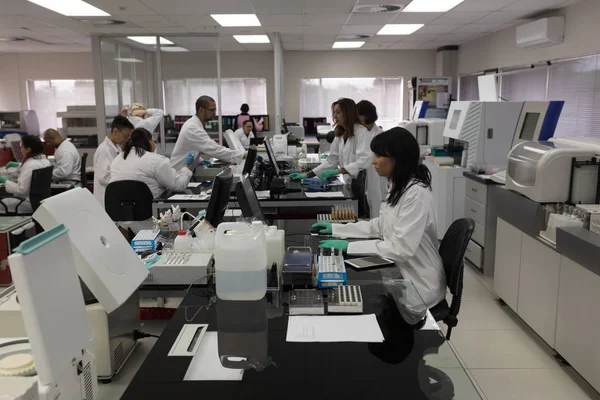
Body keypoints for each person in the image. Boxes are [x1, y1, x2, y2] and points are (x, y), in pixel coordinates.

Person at [312, 128, 446, 308]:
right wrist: (337, 229)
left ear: (398, 159)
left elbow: (401, 249)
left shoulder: (417, 194)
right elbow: (380, 225)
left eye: (379, 155)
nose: (373, 161)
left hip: (418, 284)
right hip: (398, 273)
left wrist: (350, 246)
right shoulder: (399, 184)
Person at [290, 98, 371, 184]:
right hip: (350, 183)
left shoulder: (362, 133)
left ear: (348, 114)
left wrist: (339, 171)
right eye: (334, 112)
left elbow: (364, 161)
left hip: (365, 186)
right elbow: (331, 161)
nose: (335, 116)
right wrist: (307, 175)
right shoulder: (340, 135)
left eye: (338, 112)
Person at [110, 128, 194, 198]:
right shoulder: (155, 161)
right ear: (149, 140)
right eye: (153, 141)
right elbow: (178, 185)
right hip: (151, 213)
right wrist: (186, 166)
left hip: (120, 215)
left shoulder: (116, 161)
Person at [170, 96, 246, 170]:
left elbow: (191, 149)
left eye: (215, 110)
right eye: (212, 110)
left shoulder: (196, 124)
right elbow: (215, 149)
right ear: (201, 110)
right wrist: (243, 155)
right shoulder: (193, 128)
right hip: (177, 173)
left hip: (184, 172)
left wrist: (200, 161)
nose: (215, 113)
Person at [0, 135, 51, 214]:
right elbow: (32, 169)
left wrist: (5, 181)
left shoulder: (30, 165)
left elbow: (21, 191)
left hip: (25, 202)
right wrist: (19, 165)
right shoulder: (45, 161)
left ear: (28, 149)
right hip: (39, 202)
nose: (21, 150)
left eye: (22, 147)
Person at [93, 116, 134, 208]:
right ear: (115, 131)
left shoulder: (116, 148)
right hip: (104, 199)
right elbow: (103, 177)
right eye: (125, 136)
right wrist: (123, 177)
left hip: (113, 196)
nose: (126, 139)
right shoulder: (104, 150)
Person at [357, 100, 388, 217]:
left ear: (364, 116)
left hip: (376, 179)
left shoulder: (380, 135)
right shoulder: (360, 133)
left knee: (377, 209)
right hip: (364, 179)